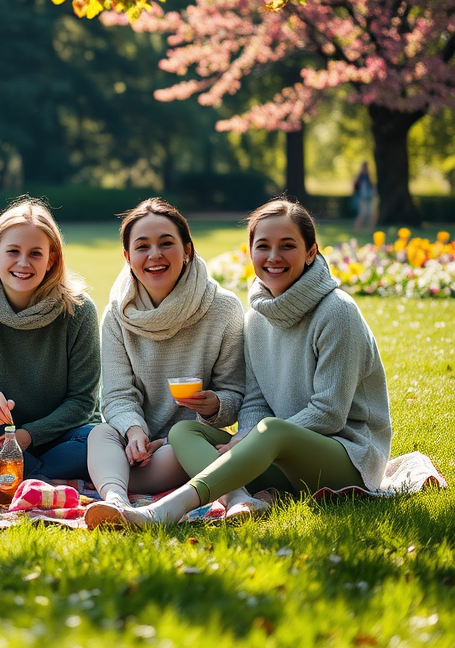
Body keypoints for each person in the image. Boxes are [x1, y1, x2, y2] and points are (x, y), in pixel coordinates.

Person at [93, 198, 392, 527]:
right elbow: (256, 400)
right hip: (281, 456)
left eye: (287, 246)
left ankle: (164, 511)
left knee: (273, 429)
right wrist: (245, 436)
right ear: (251, 253)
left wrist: (252, 437)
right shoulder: (258, 317)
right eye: (263, 246)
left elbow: (329, 412)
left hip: (348, 460)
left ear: (310, 252)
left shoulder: (337, 311)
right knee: (184, 431)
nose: (274, 257)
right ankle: (240, 498)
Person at [83, 198, 245, 528]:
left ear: (187, 249)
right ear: (128, 258)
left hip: (188, 444)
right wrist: (134, 432)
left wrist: (214, 404)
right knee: (99, 434)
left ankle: (114, 483)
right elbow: (115, 395)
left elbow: (237, 395)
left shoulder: (223, 309)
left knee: (183, 446)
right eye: (142, 247)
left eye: (166, 243)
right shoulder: (117, 314)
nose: (154, 255)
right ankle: (115, 501)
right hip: (135, 448)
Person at [0, 198, 100, 482]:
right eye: (13, 251)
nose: (24, 263)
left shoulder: (79, 310)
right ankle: (47, 480)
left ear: (51, 260)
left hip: (64, 433)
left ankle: (17, 477)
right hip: (2, 435)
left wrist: (29, 435)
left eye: (36, 253)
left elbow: (83, 401)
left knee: (97, 440)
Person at [352, 161, 377, 233]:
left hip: (369, 198)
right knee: (362, 214)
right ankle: (357, 229)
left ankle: (371, 230)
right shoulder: (360, 177)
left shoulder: (368, 177)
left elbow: (371, 187)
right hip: (362, 198)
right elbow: (356, 187)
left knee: (372, 214)